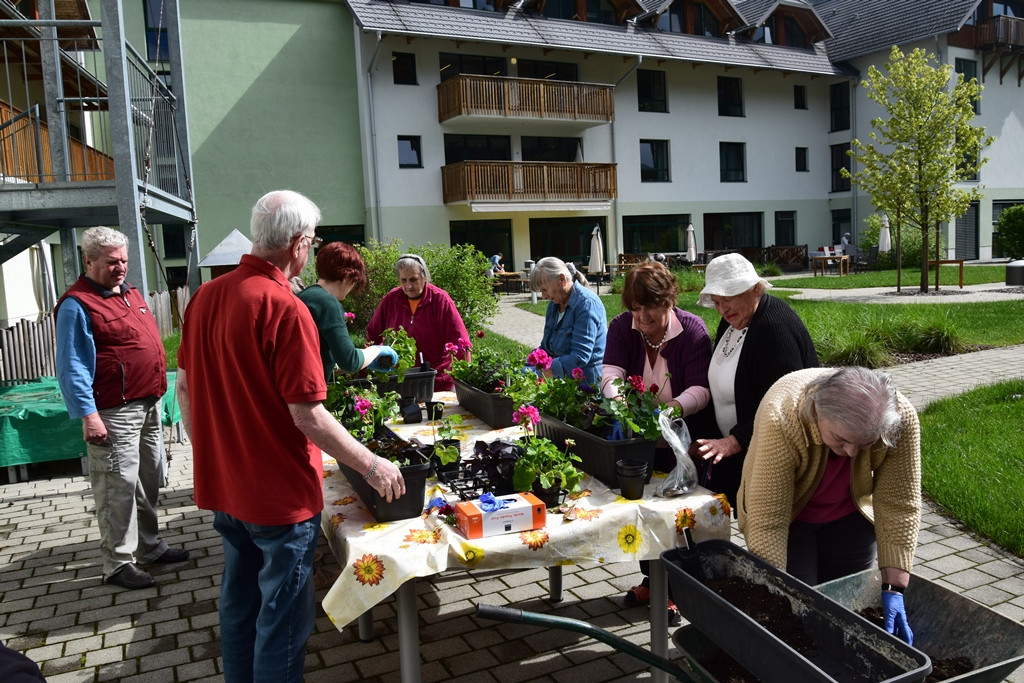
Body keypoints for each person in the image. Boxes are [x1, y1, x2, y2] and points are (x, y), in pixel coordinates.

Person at [176, 190, 405, 683]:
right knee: (281, 622)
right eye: (313, 241)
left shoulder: (205, 297)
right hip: (279, 498)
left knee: (239, 606)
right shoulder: (284, 306)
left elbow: (184, 390)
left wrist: (211, 452)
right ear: (299, 244)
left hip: (226, 488)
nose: (312, 248)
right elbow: (308, 416)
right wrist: (373, 465)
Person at [738, 366, 921, 644]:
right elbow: (768, 521)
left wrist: (894, 586)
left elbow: (898, 502)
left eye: (864, 444)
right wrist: (776, 594)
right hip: (791, 518)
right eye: (842, 440)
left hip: (849, 515)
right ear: (818, 413)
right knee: (799, 603)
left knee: (848, 601)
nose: (852, 453)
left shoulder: (899, 418)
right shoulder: (782, 416)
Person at [55, 227, 189, 590]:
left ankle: (148, 547)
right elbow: (71, 366)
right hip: (114, 411)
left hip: (147, 404)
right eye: (112, 262)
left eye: (124, 260)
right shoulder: (77, 304)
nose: (121, 268)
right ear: (89, 261)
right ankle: (117, 562)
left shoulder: (130, 293)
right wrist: (89, 415)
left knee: (148, 480)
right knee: (117, 487)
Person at [601, 260, 713, 625]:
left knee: (677, 519)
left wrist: (673, 408)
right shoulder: (623, 327)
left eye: (650, 307)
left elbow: (701, 388)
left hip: (682, 443)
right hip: (641, 442)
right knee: (643, 512)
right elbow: (611, 371)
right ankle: (652, 580)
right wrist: (618, 400)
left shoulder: (692, 331)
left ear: (669, 301)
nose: (642, 317)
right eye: (636, 308)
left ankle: (677, 592)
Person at [692, 253, 818, 507]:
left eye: (728, 298)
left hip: (777, 459)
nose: (722, 309)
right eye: (717, 302)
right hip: (746, 453)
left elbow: (784, 407)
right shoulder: (734, 320)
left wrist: (734, 440)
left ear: (756, 289)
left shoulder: (774, 329)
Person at [296, 240, 398, 382]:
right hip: (307, 390)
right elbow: (350, 361)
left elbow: (317, 358)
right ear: (347, 276)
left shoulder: (303, 297)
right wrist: (377, 350)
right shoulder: (328, 303)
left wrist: (366, 361)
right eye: (354, 282)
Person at [366, 253, 469, 391]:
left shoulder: (440, 300)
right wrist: (373, 364)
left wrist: (464, 379)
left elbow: (460, 340)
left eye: (413, 279)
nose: (408, 286)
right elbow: (373, 334)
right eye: (403, 280)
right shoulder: (391, 299)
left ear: (424, 277)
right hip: (400, 379)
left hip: (437, 381)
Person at [529, 256, 606, 385]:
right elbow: (546, 348)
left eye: (545, 289)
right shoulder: (554, 305)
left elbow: (580, 357)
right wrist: (530, 365)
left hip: (586, 384)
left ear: (562, 279)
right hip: (562, 382)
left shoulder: (587, 304)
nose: (543, 296)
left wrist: (545, 371)